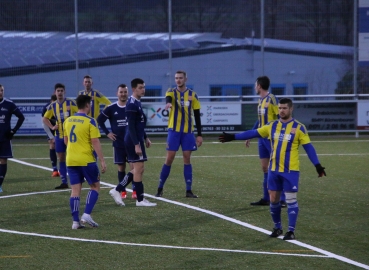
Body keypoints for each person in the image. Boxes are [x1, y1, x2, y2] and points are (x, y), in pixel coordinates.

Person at [219, 98, 326, 240]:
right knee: (273, 199)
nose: (281, 111)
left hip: (290, 170)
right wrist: (233, 136)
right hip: (274, 169)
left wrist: (317, 165)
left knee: (290, 199)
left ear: (291, 109)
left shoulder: (299, 128)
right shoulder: (272, 125)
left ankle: (291, 231)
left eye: (284, 108)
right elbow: (253, 133)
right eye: (280, 108)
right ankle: (277, 228)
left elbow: (309, 148)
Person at [109, 78, 156, 207]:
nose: (143, 90)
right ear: (134, 89)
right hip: (132, 140)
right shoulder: (131, 104)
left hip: (136, 139)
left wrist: (145, 138)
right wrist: (136, 144)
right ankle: (137, 199)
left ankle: (124, 192)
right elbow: (130, 127)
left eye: (144, 87)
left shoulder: (136, 102)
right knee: (138, 169)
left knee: (138, 169)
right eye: (140, 87)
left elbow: (138, 124)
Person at [155, 70, 203, 198]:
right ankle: (160, 188)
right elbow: (168, 98)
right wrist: (168, 103)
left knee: (187, 159)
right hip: (174, 131)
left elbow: (197, 115)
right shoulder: (171, 92)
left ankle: (188, 190)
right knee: (169, 158)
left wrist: (199, 134)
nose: (178, 80)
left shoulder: (193, 95)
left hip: (187, 132)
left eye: (180, 78)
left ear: (185, 79)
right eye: (176, 78)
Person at [64, 95, 106, 229]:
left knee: (75, 191)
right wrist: (102, 160)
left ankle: (75, 222)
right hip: (86, 160)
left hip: (71, 159)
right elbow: (95, 141)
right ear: (87, 105)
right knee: (95, 186)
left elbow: (66, 141)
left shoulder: (68, 120)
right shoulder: (90, 121)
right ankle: (86, 214)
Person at [246, 76, 286, 207]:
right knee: (265, 168)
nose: (254, 87)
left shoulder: (272, 99)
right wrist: (251, 134)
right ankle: (266, 198)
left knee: (277, 167)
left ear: (259, 86)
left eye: (255, 84)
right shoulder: (260, 100)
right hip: (261, 139)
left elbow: (281, 116)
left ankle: (283, 199)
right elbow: (259, 120)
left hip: (271, 138)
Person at [97, 84, 136, 200]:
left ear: (127, 93)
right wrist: (107, 133)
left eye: (125, 92)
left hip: (132, 143)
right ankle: (122, 191)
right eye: (121, 92)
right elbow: (100, 120)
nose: (123, 94)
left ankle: (135, 190)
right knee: (121, 167)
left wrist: (144, 137)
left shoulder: (132, 106)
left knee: (134, 167)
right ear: (117, 93)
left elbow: (138, 123)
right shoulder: (111, 107)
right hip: (118, 143)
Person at [43, 83, 78, 189]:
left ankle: (78, 178)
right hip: (59, 136)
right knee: (61, 158)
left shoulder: (71, 103)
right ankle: (64, 182)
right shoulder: (52, 106)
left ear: (64, 92)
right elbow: (45, 119)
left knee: (74, 158)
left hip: (72, 136)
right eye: (58, 91)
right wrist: (52, 127)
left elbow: (81, 113)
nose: (60, 93)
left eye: (61, 91)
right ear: (55, 92)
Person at [0, 84, 25, 193]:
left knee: (3, 160)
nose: (0, 92)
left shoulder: (9, 104)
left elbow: (21, 117)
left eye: (1, 90)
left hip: (4, 138)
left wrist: (13, 131)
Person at [41, 94, 59, 177]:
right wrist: (51, 134)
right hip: (50, 127)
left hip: (60, 127)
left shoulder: (63, 106)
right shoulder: (47, 108)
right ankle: (55, 169)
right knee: (52, 144)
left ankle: (65, 168)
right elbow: (44, 122)